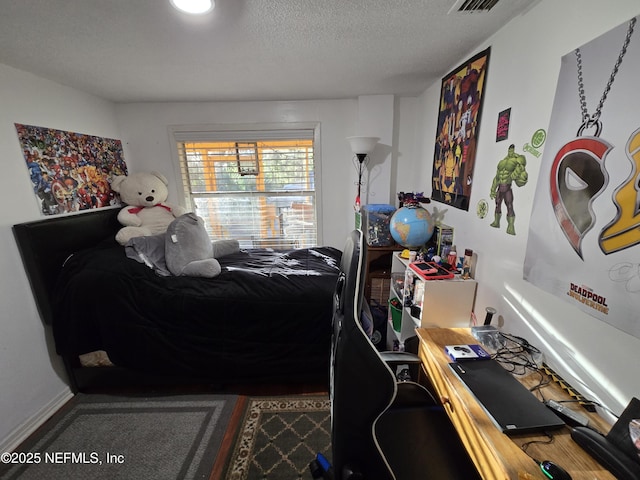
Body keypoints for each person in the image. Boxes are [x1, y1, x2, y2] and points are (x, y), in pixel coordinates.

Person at [489, 144, 528, 235]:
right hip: (500, 187)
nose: (510, 151)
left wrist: (517, 170)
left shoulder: (516, 160)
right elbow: (497, 177)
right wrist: (492, 190)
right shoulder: (502, 162)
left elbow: (522, 163)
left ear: (513, 150)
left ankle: (511, 226)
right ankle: (496, 222)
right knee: (497, 204)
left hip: (507, 187)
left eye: (512, 150)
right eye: (509, 150)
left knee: (509, 206)